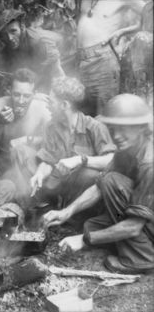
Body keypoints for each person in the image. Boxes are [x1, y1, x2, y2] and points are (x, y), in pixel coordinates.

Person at [43, 94, 154, 274]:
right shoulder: (127, 150)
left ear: (141, 127)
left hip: (143, 221)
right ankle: (126, 243)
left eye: (124, 129)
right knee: (91, 224)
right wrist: (66, 212)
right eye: (112, 129)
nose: (116, 136)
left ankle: (141, 258)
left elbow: (134, 226)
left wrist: (85, 240)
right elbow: (98, 187)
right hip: (143, 216)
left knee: (112, 185)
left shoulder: (150, 163)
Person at [29, 77, 115, 215]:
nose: (47, 106)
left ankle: (77, 220)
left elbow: (111, 159)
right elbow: (47, 159)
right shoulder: (50, 127)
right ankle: (48, 209)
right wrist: (39, 173)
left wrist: (81, 160)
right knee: (27, 158)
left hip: (85, 196)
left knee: (89, 174)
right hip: (58, 187)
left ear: (64, 105)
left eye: (51, 102)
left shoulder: (94, 127)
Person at [77, 0, 146, 115]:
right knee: (85, 117)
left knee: (106, 114)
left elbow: (149, 13)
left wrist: (121, 32)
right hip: (82, 62)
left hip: (102, 61)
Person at [0, 68, 51, 180]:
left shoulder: (42, 108)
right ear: (9, 91)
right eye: (16, 94)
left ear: (34, 94)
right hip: (0, 164)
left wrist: (27, 139)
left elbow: (54, 143)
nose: (21, 101)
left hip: (27, 166)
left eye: (26, 96)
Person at [0, 8, 63, 95]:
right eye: (5, 34)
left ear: (22, 27)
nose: (9, 37)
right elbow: (12, 70)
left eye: (13, 31)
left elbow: (54, 74)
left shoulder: (38, 42)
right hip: (37, 66)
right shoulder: (7, 44)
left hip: (59, 58)